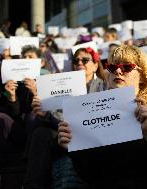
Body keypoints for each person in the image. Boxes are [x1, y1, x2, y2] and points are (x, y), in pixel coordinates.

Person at [58, 45, 147, 189]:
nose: (118, 70)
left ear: (143, 77)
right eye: (112, 67)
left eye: (127, 67)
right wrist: (74, 148)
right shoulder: (95, 116)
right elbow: (91, 176)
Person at [23, 47, 107, 189]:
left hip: (92, 137)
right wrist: (44, 111)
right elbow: (56, 117)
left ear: (95, 65)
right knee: (41, 132)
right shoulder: (62, 84)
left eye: (85, 60)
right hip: (64, 134)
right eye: (76, 60)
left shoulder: (105, 86)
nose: (79, 62)